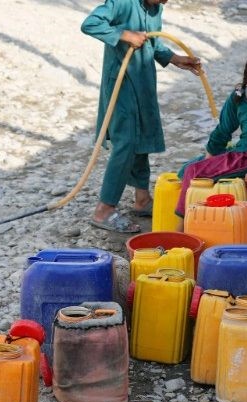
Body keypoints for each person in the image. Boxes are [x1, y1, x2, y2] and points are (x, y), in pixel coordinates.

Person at [82, 0, 200, 233]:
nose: (165, 1)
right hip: (122, 85)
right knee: (126, 143)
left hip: (143, 83)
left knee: (142, 138)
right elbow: (90, 24)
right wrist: (124, 34)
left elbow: (152, 43)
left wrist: (175, 59)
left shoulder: (155, 7)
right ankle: (104, 210)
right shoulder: (122, 3)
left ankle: (142, 199)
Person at [174, 49, 247, 224]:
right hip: (241, 154)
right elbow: (224, 130)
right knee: (186, 169)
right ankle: (198, 216)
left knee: (193, 171)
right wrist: (210, 157)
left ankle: (182, 226)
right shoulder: (238, 97)